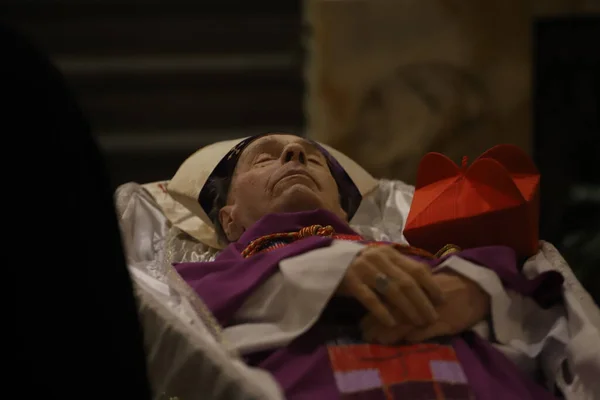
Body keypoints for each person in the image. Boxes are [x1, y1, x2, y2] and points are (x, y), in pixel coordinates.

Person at [175, 133, 562, 399]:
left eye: (312, 158)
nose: (293, 155)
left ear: (342, 209)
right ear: (229, 219)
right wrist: (326, 272)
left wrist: (478, 290)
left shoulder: (415, 254)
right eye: (264, 157)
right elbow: (172, 319)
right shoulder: (197, 281)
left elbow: (541, 298)